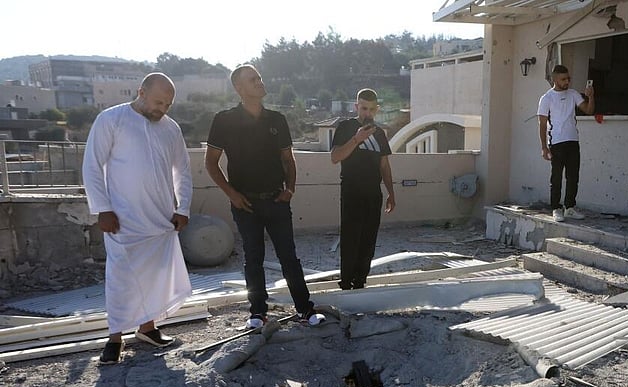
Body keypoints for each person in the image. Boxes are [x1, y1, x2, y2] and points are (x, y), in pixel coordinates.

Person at [82, 72, 192, 365]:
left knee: (155, 275)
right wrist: (102, 208)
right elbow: (92, 165)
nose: (162, 109)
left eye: (167, 104)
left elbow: (182, 171)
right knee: (121, 278)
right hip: (122, 219)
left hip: (160, 219)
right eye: (158, 101)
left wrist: (183, 209)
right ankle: (114, 338)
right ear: (141, 92)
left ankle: (148, 329)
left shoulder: (171, 129)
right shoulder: (112, 119)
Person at [205, 64, 323, 328]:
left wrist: (289, 189)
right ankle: (257, 312)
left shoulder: (277, 120)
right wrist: (232, 194)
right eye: (253, 79)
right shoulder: (224, 120)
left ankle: (305, 309)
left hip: (277, 200)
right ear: (239, 88)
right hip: (245, 203)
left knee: (289, 257)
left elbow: (288, 160)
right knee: (253, 258)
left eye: (259, 77)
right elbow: (211, 163)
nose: (260, 82)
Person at [330, 88, 396, 290]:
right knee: (351, 237)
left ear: (376, 110)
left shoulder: (380, 134)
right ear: (356, 106)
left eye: (371, 109)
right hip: (351, 191)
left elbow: (384, 165)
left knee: (368, 239)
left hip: (373, 193)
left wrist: (391, 193)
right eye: (363, 108)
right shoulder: (346, 127)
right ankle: (346, 281)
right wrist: (356, 139)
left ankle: (360, 281)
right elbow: (335, 157)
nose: (366, 113)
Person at [537, 65, 594, 222]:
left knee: (573, 176)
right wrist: (544, 147)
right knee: (556, 177)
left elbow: (589, 110)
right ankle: (556, 208)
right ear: (555, 79)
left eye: (568, 78)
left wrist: (591, 96)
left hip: (573, 141)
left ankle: (570, 208)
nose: (567, 81)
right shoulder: (546, 98)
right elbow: (541, 124)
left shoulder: (573, 94)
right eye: (563, 79)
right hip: (556, 142)